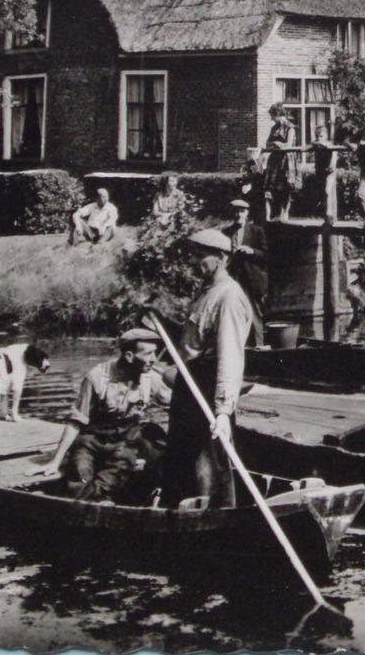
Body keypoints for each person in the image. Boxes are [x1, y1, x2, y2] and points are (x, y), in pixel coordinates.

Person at [159, 228, 253, 509]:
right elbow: (193, 340)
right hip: (189, 385)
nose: (194, 262)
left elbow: (230, 357)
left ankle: (217, 515)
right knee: (181, 455)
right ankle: (177, 512)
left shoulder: (229, 297)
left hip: (208, 388)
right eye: (194, 254)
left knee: (210, 460)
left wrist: (223, 411)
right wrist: (159, 320)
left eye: (201, 255)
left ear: (221, 258)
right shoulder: (205, 292)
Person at [30, 327, 170, 502]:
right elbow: (76, 421)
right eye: (148, 354)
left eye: (154, 353)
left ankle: (96, 502)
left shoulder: (152, 378)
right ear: (129, 356)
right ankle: (92, 503)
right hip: (92, 440)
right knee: (80, 475)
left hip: (124, 443)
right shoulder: (97, 376)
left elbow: (173, 403)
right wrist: (55, 462)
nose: (154, 360)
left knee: (112, 478)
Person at [224, 197, 268, 341]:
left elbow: (266, 255)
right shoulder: (226, 232)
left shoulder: (256, 231)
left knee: (254, 313)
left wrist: (252, 251)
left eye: (242, 211)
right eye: (236, 212)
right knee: (233, 312)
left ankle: (259, 346)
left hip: (251, 279)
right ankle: (239, 346)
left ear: (247, 213)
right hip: (232, 278)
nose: (238, 215)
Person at [262, 104, 300, 220]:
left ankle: (285, 213)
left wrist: (280, 145)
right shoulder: (274, 128)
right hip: (275, 160)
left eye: (272, 116)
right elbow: (267, 143)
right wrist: (275, 144)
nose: (271, 118)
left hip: (286, 159)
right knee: (272, 186)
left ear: (278, 114)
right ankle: (274, 213)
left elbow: (288, 145)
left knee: (286, 187)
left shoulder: (290, 128)